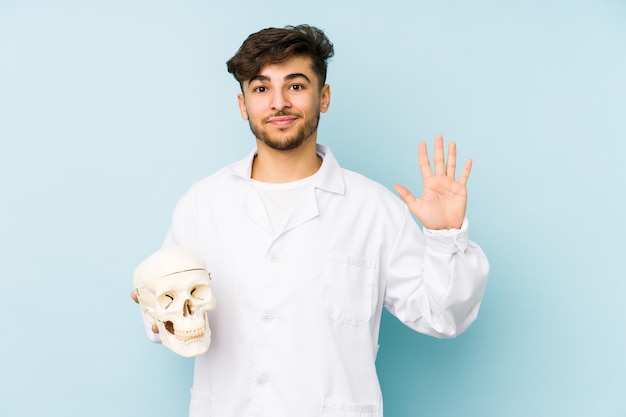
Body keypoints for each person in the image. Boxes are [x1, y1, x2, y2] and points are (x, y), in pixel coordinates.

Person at [132, 24, 489, 417]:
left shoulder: (373, 209)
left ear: (324, 97)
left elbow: (443, 317)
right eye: (261, 88)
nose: (278, 102)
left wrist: (444, 237)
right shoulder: (202, 205)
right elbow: (169, 317)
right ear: (242, 104)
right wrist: (154, 306)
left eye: (296, 86)